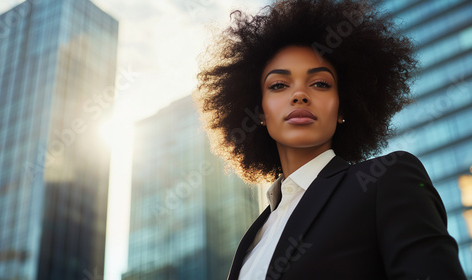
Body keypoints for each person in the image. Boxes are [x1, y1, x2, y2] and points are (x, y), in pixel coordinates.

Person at [193, 0, 467, 279]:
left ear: (343, 108)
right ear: (260, 111)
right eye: (279, 85)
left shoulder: (387, 181)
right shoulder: (252, 239)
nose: (299, 95)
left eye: (320, 83)